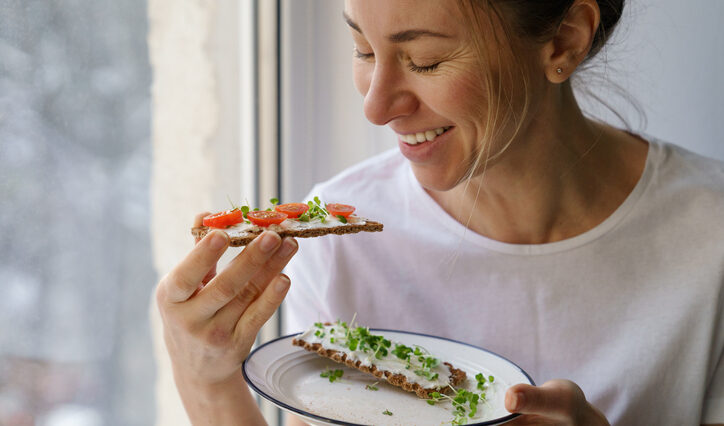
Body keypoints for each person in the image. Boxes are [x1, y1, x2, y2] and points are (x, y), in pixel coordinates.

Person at [155, 0, 724, 425]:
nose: (376, 107)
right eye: (363, 50)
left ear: (563, 42)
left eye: (425, 61)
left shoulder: (710, 235)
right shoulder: (341, 253)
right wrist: (205, 380)